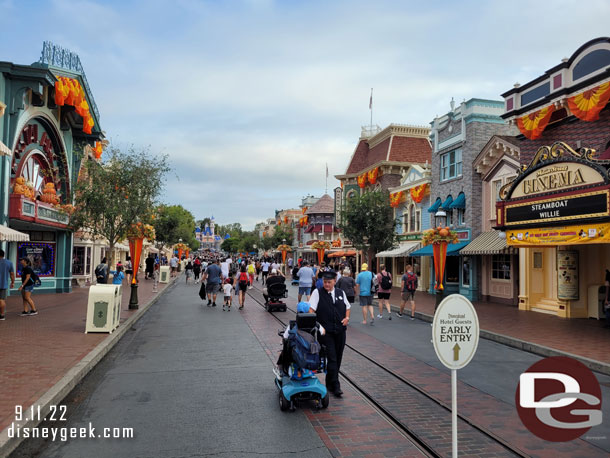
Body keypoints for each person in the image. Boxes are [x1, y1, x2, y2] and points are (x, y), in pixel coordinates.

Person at [308, 270, 350, 397]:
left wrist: (347, 318)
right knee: (331, 358)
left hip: (340, 331)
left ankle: (330, 382)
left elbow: (347, 307)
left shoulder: (340, 293)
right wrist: (319, 326)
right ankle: (336, 386)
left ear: (334, 281)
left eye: (329, 282)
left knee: (338, 357)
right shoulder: (317, 292)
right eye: (325, 282)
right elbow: (311, 311)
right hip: (326, 332)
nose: (326, 285)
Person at [0, 249, 15, 320]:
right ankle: (2, 315)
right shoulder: (9, 263)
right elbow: (12, 274)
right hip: (3, 284)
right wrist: (12, 282)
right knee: (2, 300)